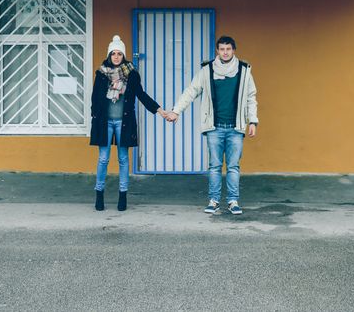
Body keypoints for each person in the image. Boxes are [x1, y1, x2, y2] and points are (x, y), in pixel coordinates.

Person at [166, 36, 258, 215]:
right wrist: (176, 110)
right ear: (217, 51)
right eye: (222, 49)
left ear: (234, 50)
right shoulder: (207, 70)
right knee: (215, 166)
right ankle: (214, 200)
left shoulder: (244, 70)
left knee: (233, 166)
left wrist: (252, 121)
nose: (225, 52)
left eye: (228, 49)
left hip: (236, 127)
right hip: (214, 127)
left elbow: (251, 97)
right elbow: (191, 91)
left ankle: (233, 201)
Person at [91, 35, 167, 211]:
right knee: (103, 159)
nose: (116, 57)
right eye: (113, 53)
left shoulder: (131, 74)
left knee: (123, 159)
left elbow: (141, 95)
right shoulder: (102, 74)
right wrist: (95, 116)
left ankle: (122, 195)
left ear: (123, 55)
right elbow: (95, 98)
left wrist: (159, 110)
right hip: (105, 122)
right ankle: (99, 194)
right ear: (109, 55)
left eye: (119, 53)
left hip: (123, 122)